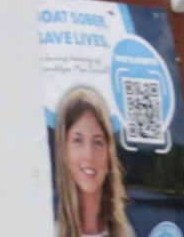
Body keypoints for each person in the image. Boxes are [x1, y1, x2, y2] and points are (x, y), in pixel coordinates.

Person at [53, 86, 134, 237]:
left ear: (108, 154)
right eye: (78, 140)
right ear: (64, 150)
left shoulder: (124, 232)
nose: (89, 155)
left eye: (97, 142)